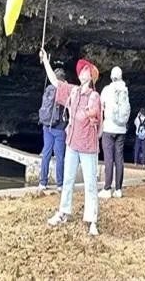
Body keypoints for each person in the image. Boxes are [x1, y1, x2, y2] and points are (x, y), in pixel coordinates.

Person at [40, 50, 102, 236]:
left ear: (91, 76)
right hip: (72, 144)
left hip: (88, 147)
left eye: (86, 70)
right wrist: (46, 62)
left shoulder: (94, 96)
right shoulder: (73, 91)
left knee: (90, 184)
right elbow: (55, 82)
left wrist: (87, 113)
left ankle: (92, 220)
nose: (82, 73)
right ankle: (63, 212)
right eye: (81, 70)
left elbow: (94, 114)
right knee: (67, 180)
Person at [99, 66, 130, 199]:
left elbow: (101, 106)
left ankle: (107, 188)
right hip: (121, 130)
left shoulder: (106, 89)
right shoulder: (125, 90)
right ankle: (118, 189)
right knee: (119, 159)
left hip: (108, 129)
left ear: (111, 77)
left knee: (108, 159)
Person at [38, 68, 67, 191]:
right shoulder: (63, 90)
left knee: (46, 154)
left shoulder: (48, 89)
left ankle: (43, 182)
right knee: (59, 156)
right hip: (59, 128)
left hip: (47, 126)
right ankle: (60, 184)